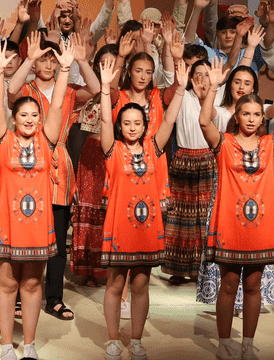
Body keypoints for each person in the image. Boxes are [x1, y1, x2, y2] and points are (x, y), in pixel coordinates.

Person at [199, 57, 274, 360]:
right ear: (237, 116)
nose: (251, 119)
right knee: (228, 285)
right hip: (229, 227)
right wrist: (213, 88)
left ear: (262, 117)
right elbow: (204, 122)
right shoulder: (223, 143)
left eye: (256, 114)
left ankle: (247, 345)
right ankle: (224, 342)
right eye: (246, 114)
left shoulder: (269, 144)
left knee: (253, 287)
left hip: (260, 229)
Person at [0, 39, 74, 360]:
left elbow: (58, 105)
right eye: (23, 114)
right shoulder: (2, 139)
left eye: (34, 115)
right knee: (8, 286)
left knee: (33, 286)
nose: (29, 119)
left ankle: (30, 344)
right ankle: (6, 344)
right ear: (15, 118)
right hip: (6, 224)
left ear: (40, 119)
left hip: (37, 226)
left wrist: (65, 69)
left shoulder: (46, 141)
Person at [97, 56, 188, 360]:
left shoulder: (153, 147)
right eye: (127, 123)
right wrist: (105, 88)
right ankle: (112, 339)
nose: (132, 127)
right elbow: (105, 120)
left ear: (145, 126)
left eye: (137, 123)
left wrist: (181, 88)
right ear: (120, 125)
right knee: (115, 285)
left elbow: (170, 120)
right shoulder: (113, 149)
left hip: (147, 230)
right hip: (119, 229)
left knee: (141, 284)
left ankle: (136, 339)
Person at [7, 31, 100, 321]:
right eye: (43, 59)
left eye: (52, 59)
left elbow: (96, 89)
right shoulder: (26, 88)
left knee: (59, 238)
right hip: (29, 164)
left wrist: (80, 61)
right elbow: (10, 91)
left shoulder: (69, 89)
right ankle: (20, 296)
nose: (48, 64)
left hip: (59, 166)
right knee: (26, 233)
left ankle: (54, 298)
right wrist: (28, 58)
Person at [70, 43, 122, 286]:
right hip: (89, 154)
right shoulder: (87, 93)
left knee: (107, 211)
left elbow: (112, 91)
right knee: (89, 211)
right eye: (103, 64)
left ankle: (110, 268)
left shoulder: (119, 94)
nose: (107, 68)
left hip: (111, 156)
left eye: (113, 64)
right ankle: (89, 269)